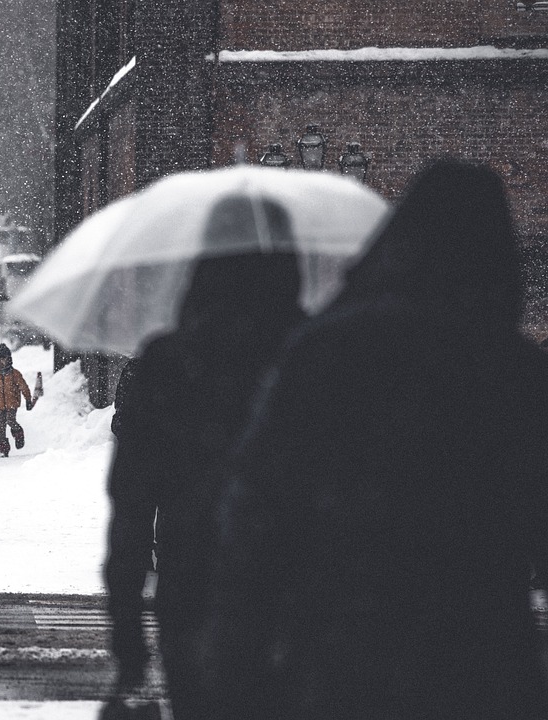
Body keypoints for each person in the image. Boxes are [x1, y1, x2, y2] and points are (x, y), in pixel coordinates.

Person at [209, 160, 548, 720]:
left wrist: (237, 664)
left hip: (342, 657)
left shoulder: (326, 353)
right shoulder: (517, 372)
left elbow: (259, 517)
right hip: (481, 665)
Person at [102, 195, 306, 720]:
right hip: (290, 590)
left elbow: (131, 502)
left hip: (192, 580)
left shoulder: (169, 362)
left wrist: (127, 635)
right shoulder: (311, 356)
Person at [0, 343, 34, 457]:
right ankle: (3, 449)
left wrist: (28, 399)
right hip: (0, 404)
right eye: (0, 359)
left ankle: (18, 432)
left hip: (12, 403)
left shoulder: (14, 374)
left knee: (10, 420)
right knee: (1, 427)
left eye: (4, 359)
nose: (2, 361)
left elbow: (23, 387)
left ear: (9, 360)